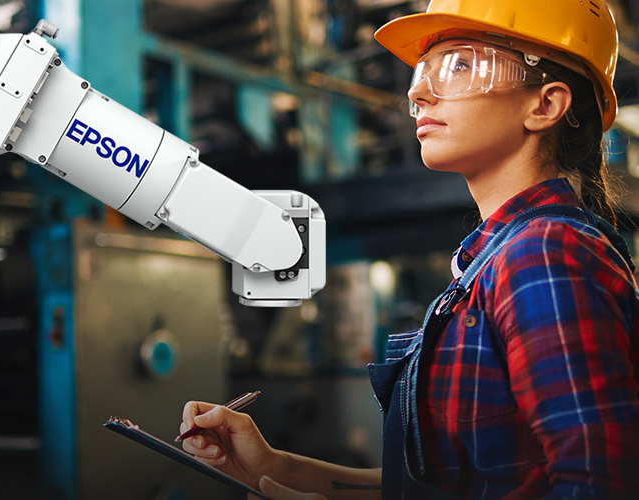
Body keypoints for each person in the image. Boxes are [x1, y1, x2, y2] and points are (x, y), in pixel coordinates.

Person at [178, 0, 639, 498]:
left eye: (460, 64)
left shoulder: (543, 255)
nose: (418, 92)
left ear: (545, 105)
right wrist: (274, 467)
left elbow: (598, 485)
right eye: (425, 71)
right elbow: (443, 488)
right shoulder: (495, 261)